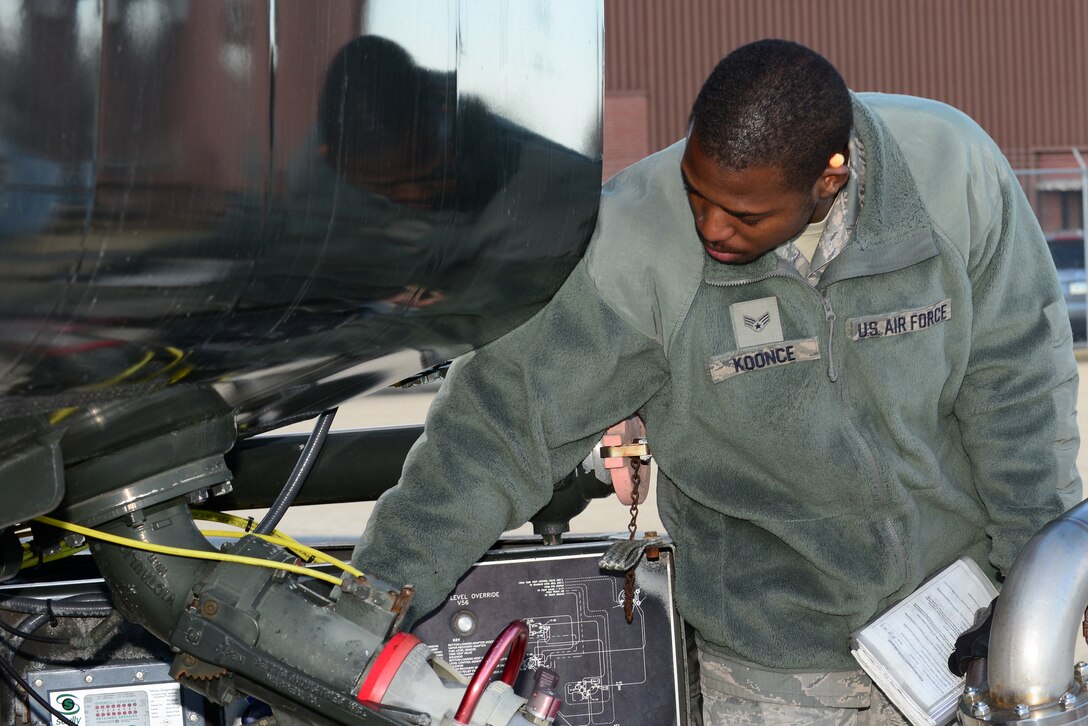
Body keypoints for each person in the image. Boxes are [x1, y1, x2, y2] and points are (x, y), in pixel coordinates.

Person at [353, 39, 1081, 724]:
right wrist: (371, 606)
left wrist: (1024, 596)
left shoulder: (953, 179)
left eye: (743, 213)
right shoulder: (638, 245)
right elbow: (499, 429)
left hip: (961, 647)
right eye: (698, 193)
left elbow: (1017, 393)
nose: (712, 228)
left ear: (831, 178)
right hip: (769, 676)